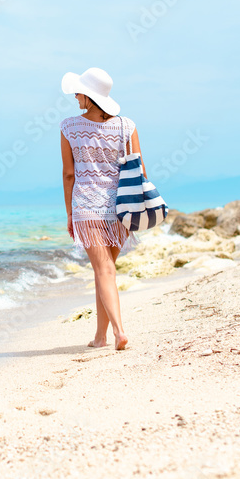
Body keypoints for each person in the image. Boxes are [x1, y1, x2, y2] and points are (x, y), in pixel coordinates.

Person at [59, 67, 144, 351]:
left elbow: (69, 174)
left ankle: (120, 332)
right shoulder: (126, 126)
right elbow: (140, 170)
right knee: (105, 270)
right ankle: (100, 336)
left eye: (79, 92)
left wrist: (70, 213)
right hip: (119, 208)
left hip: (87, 207)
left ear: (89, 96)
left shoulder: (69, 127)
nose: (75, 95)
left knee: (103, 270)